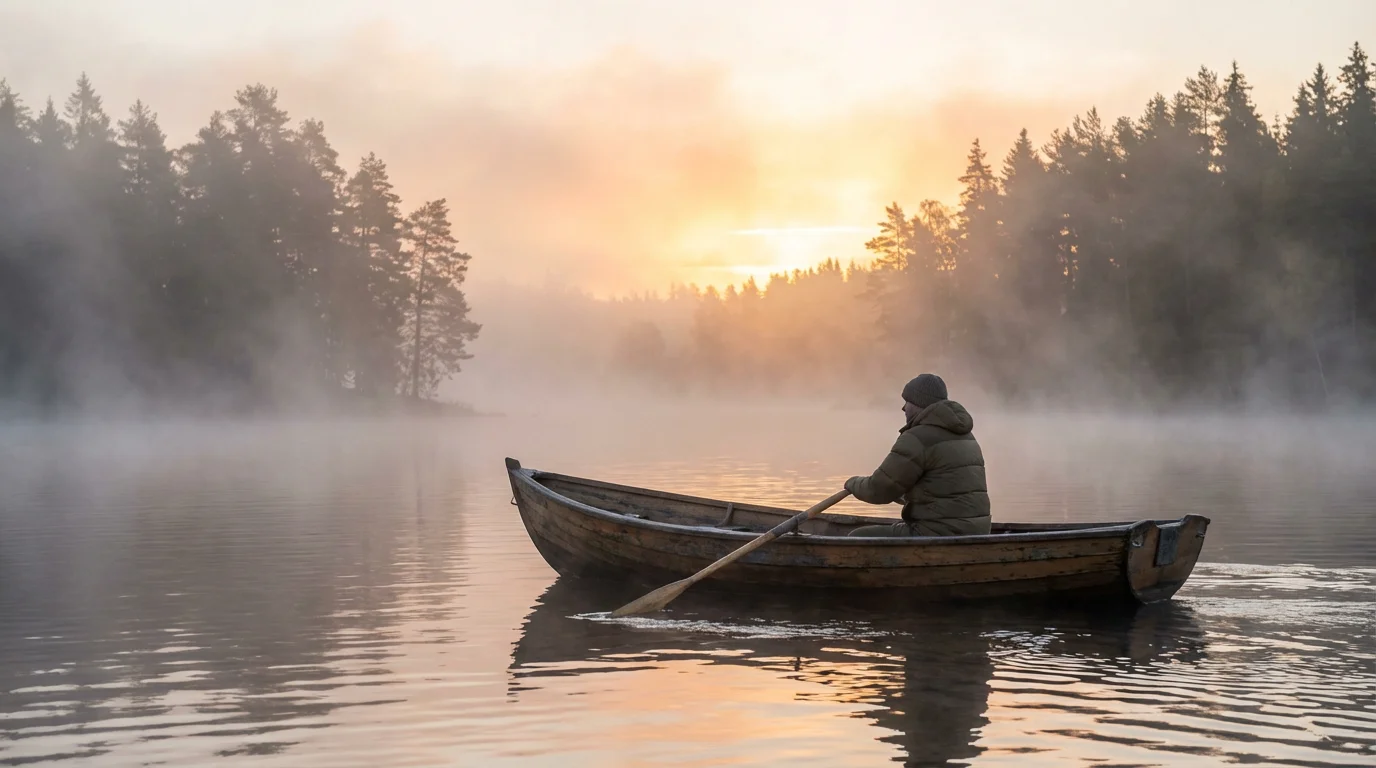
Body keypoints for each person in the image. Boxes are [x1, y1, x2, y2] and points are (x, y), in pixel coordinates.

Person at [845, 373, 991, 537]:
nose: (904, 408)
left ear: (918, 403)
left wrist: (852, 483)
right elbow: (942, 491)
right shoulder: (966, 436)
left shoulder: (917, 438)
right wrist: (903, 493)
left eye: (907, 401)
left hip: (938, 532)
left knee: (858, 537)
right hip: (977, 531)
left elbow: (878, 490)